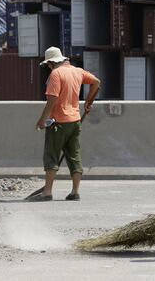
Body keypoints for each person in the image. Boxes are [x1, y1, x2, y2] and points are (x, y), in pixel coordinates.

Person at [28, 47, 100, 202]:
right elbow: (96, 82)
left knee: (51, 156)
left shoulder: (56, 74)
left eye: (48, 64)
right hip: (75, 121)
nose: (48, 67)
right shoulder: (78, 71)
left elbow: (52, 100)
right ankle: (75, 192)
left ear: (53, 62)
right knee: (74, 156)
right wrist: (88, 102)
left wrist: (42, 120)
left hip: (58, 122)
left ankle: (47, 192)